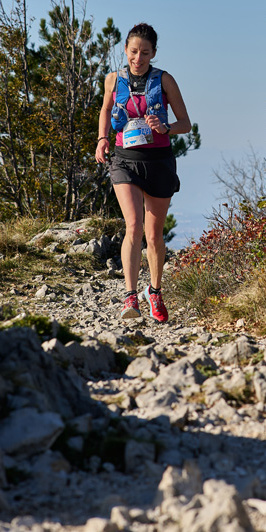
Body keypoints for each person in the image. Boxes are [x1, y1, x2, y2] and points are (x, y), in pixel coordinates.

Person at [95, 23, 191, 323]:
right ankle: (130, 296)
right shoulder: (113, 79)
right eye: (134, 51)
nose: (138, 58)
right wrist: (102, 138)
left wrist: (165, 127)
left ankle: (155, 291)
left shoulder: (165, 80)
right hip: (124, 160)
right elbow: (105, 109)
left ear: (154, 53)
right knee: (134, 226)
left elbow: (186, 123)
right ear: (125, 49)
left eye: (145, 53)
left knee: (153, 235)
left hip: (159, 161)